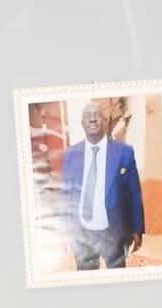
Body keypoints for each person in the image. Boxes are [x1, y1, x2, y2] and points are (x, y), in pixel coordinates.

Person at [59, 101, 143, 271]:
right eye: (87, 116)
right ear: (82, 123)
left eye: (97, 115)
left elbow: (134, 192)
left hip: (114, 232)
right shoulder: (71, 155)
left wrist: (137, 227)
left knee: (117, 274)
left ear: (105, 120)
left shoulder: (124, 152)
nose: (92, 119)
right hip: (82, 235)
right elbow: (66, 194)